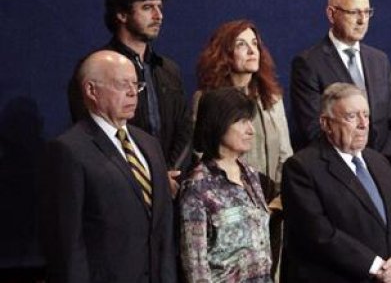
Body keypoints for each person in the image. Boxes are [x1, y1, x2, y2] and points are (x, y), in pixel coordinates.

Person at [41, 50, 176, 282]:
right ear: (91, 90)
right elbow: (67, 244)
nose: (133, 93)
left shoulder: (149, 145)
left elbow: (162, 229)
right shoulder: (69, 150)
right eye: (122, 85)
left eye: (136, 84)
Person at [281, 83, 391, 283]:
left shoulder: (379, 161)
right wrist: (377, 267)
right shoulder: (302, 168)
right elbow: (319, 234)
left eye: (366, 115)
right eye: (351, 116)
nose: (363, 124)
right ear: (326, 123)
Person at [67, 0, 193, 183]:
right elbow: (91, 130)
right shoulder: (95, 68)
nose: (158, 16)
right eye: (147, 7)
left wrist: (168, 175)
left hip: (169, 187)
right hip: (118, 185)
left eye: (159, 7)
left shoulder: (168, 69)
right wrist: (143, 176)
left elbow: (185, 129)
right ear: (122, 14)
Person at [194, 19, 292, 274]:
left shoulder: (272, 98)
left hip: (273, 207)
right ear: (225, 53)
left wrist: (279, 200)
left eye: (255, 44)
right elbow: (201, 153)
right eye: (241, 44)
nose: (252, 51)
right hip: (227, 213)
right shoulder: (207, 98)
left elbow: (285, 154)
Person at [290, 0, 391, 163]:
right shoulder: (309, 63)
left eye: (367, 12)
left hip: (383, 168)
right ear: (331, 14)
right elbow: (313, 128)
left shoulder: (379, 60)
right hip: (337, 172)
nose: (362, 20)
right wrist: (354, 164)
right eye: (354, 12)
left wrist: (379, 163)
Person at [179, 88, 272, 282]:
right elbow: (195, 266)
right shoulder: (197, 186)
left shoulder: (251, 175)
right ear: (218, 123)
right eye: (241, 121)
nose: (251, 130)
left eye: (250, 121)